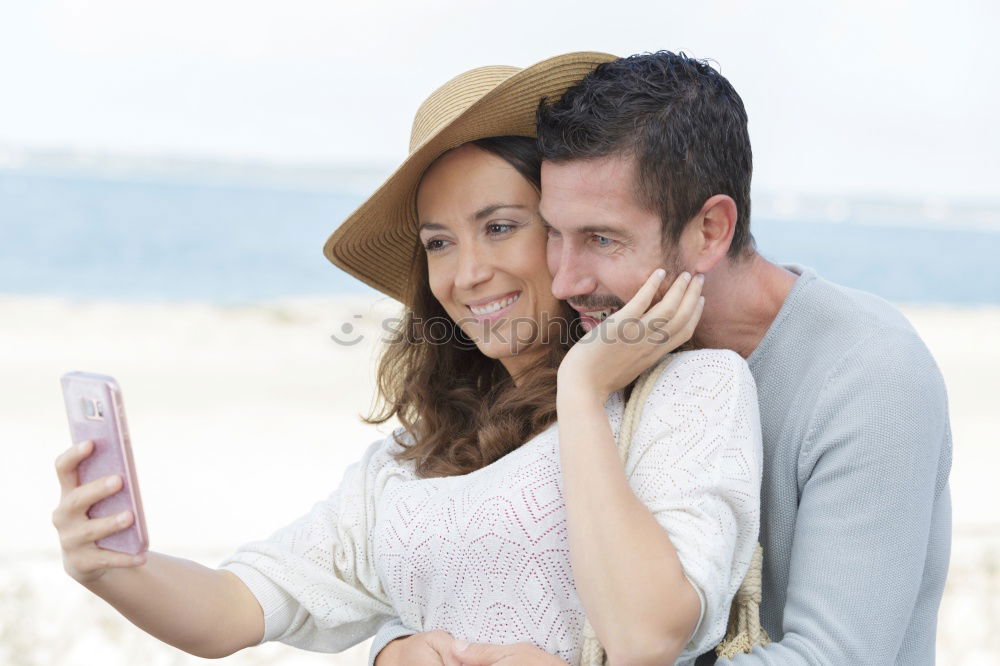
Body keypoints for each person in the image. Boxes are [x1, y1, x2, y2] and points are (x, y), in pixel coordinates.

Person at [51, 54, 763, 666]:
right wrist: (114, 567)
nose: (467, 273)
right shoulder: (409, 461)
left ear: (566, 231)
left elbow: (647, 634)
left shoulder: (690, 391)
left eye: (501, 227)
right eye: (439, 243)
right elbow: (234, 608)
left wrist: (581, 389)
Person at [375, 51, 952, 666]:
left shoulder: (868, 375)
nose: (565, 280)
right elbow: (469, 551)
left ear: (709, 230)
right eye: (553, 234)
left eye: (602, 239)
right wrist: (399, 647)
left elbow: (839, 657)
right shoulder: (595, 350)